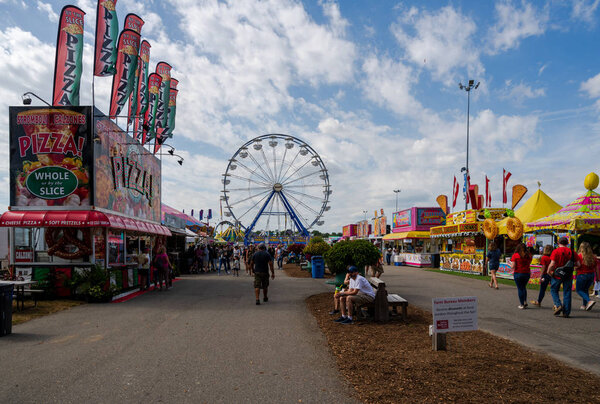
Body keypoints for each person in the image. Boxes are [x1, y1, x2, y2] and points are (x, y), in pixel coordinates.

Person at [548, 237, 580, 318]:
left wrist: (548, 271)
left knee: (554, 290)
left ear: (558, 243)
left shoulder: (556, 251)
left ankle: (558, 305)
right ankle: (566, 312)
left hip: (557, 274)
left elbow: (552, 264)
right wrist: (571, 267)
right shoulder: (572, 252)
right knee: (567, 292)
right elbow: (578, 264)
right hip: (568, 275)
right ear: (567, 243)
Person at [575, 241, 598, 311]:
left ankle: (589, 301)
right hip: (591, 275)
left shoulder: (579, 256)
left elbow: (577, 266)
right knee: (585, 290)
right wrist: (597, 277)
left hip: (582, 275)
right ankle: (585, 305)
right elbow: (596, 268)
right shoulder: (593, 257)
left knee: (579, 290)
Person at [511, 243, 532, 309]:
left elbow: (513, 266)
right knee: (523, 287)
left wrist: (509, 265)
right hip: (527, 273)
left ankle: (522, 304)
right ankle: (525, 301)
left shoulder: (515, 255)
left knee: (520, 288)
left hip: (518, 273)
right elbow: (529, 263)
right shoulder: (529, 255)